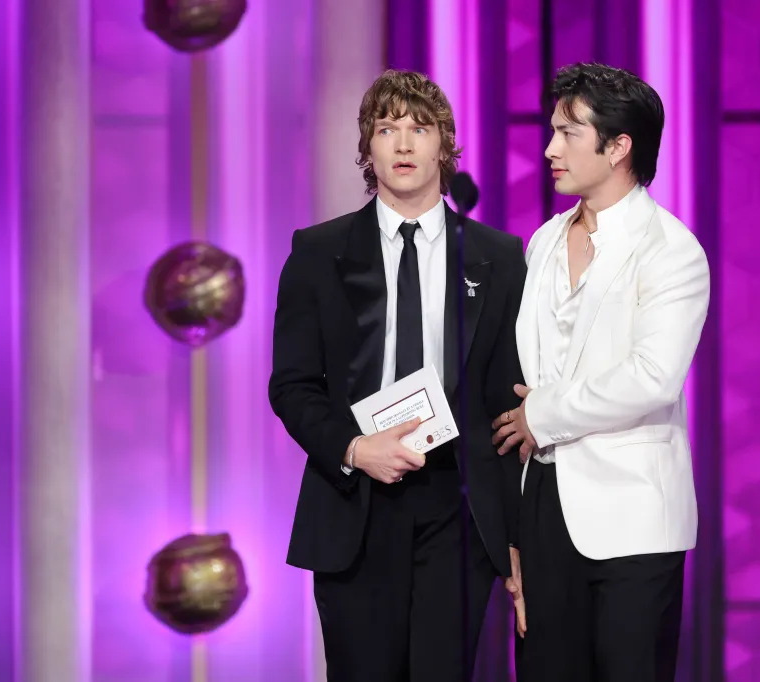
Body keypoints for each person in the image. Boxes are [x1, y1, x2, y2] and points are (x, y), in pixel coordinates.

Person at [269, 69, 526, 682]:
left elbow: (507, 400)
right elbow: (292, 385)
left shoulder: (499, 257)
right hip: (355, 500)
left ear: (445, 144)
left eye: (420, 128)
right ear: (367, 147)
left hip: (459, 507)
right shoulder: (318, 252)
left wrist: (521, 533)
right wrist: (356, 449)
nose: (404, 144)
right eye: (387, 129)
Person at [492, 62, 710, 681]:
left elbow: (652, 377)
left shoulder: (671, 250)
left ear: (618, 148)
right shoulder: (543, 240)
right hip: (545, 505)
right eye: (552, 131)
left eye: (568, 133)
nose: (549, 148)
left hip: (633, 516)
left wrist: (541, 413)